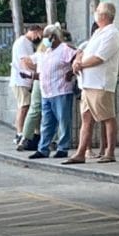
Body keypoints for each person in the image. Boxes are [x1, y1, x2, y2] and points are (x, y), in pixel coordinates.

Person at [66, 2, 119, 164]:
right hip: (87, 83)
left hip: (100, 83)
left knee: (107, 117)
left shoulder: (112, 34)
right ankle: (81, 152)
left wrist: (81, 64)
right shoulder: (98, 32)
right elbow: (83, 51)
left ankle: (110, 151)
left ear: (104, 15)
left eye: (97, 11)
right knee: (86, 118)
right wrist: (78, 60)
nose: (95, 14)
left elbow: (99, 57)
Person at [26, 23, 78, 159]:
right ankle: (43, 148)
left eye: (46, 37)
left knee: (63, 121)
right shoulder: (45, 51)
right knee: (47, 122)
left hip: (61, 90)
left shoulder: (64, 49)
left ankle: (63, 147)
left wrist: (72, 72)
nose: (44, 39)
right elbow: (33, 61)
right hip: (46, 91)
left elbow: (77, 56)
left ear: (53, 37)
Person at [10, 25, 42, 146]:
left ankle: (23, 132)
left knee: (26, 106)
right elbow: (25, 62)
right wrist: (40, 68)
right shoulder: (22, 43)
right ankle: (19, 133)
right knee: (24, 106)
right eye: (39, 33)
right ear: (33, 31)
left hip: (25, 80)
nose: (39, 37)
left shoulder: (27, 43)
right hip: (20, 80)